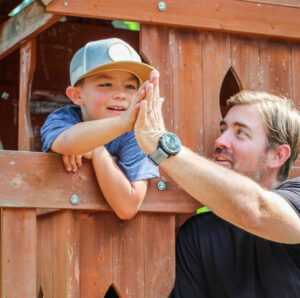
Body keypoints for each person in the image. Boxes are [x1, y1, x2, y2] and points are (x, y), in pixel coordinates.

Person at [134, 72, 300, 297]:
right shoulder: (197, 234)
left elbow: (255, 210)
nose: (220, 141)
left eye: (240, 133)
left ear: (278, 155)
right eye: (223, 130)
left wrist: (160, 145)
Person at [40, 38, 159, 220]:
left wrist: (97, 150)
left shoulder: (135, 135)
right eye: (106, 84)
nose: (120, 94)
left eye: (130, 87)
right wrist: (78, 145)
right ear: (77, 95)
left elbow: (127, 207)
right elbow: (67, 142)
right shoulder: (64, 119)